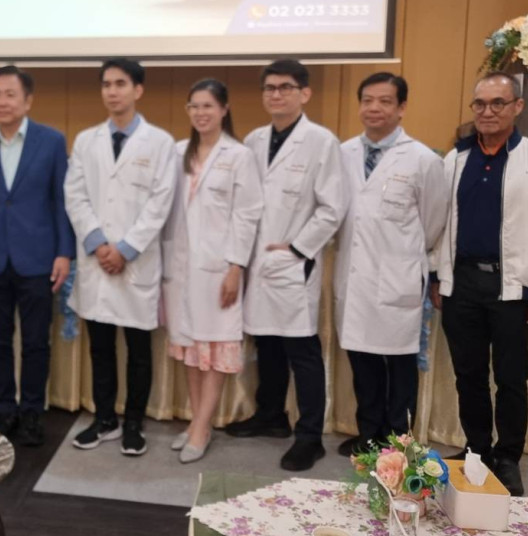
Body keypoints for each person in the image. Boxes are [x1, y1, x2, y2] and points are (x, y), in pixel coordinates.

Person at [432, 72, 528, 496]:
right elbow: (439, 224)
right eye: (480, 103)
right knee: (468, 374)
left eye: (498, 103)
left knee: (511, 377)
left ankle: (507, 457)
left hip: (512, 288)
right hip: (461, 285)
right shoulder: (455, 160)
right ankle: (476, 449)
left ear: (517, 107)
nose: (487, 111)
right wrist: (438, 276)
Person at [228, 58, 347, 472]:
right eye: (270, 88)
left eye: (285, 87)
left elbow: (333, 208)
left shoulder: (321, 141)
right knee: (266, 342)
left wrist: (297, 249)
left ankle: (309, 436)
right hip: (257, 260)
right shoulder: (254, 140)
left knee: (302, 350)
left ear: (304, 93)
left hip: (294, 262)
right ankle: (270, 415)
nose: (276, 94)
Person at [0, 66, 75, 447]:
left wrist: (64, 252)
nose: (2, 102)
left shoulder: (51, 141)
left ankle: (33, 412)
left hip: (38, 259)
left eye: (10, 94)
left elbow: (60, 201)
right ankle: (5, 408)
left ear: (28, 100)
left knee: (37, 342)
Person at [64, 59, 176, 456]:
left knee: (138, 350)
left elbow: (161, 202)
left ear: (138, 90)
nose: (112, 91)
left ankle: (133, 423)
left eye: (121, 83)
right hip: (97, 260)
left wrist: (125, 249)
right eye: (107, 84)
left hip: (134, 262)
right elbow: (75, 195)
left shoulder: (160, 142)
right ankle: (104, 419)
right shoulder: (86, 140)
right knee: (100, 348)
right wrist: (98, 243)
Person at [333, 73, 447, 456]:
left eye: (384, 101)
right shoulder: (343, 154)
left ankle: (398, 440)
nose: (374, 108)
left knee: (399, 366)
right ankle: (368, 433)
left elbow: (434, 221)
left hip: (397, 278)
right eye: (367, 100)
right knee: (362, 362)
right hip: (354, 278)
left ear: (401, 108)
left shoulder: (422, 160)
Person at [162, 79, 262, 463]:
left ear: (224, 109)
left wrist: (236, 267)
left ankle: (202, 428)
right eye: (194, 106)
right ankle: (195, 422)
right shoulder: (177, 153)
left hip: (219, 268)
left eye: (208, 106)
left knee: (215, 349)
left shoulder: (238, 155)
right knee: (191, 349)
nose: (200, 113)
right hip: (181, 269)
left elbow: (247, 214)